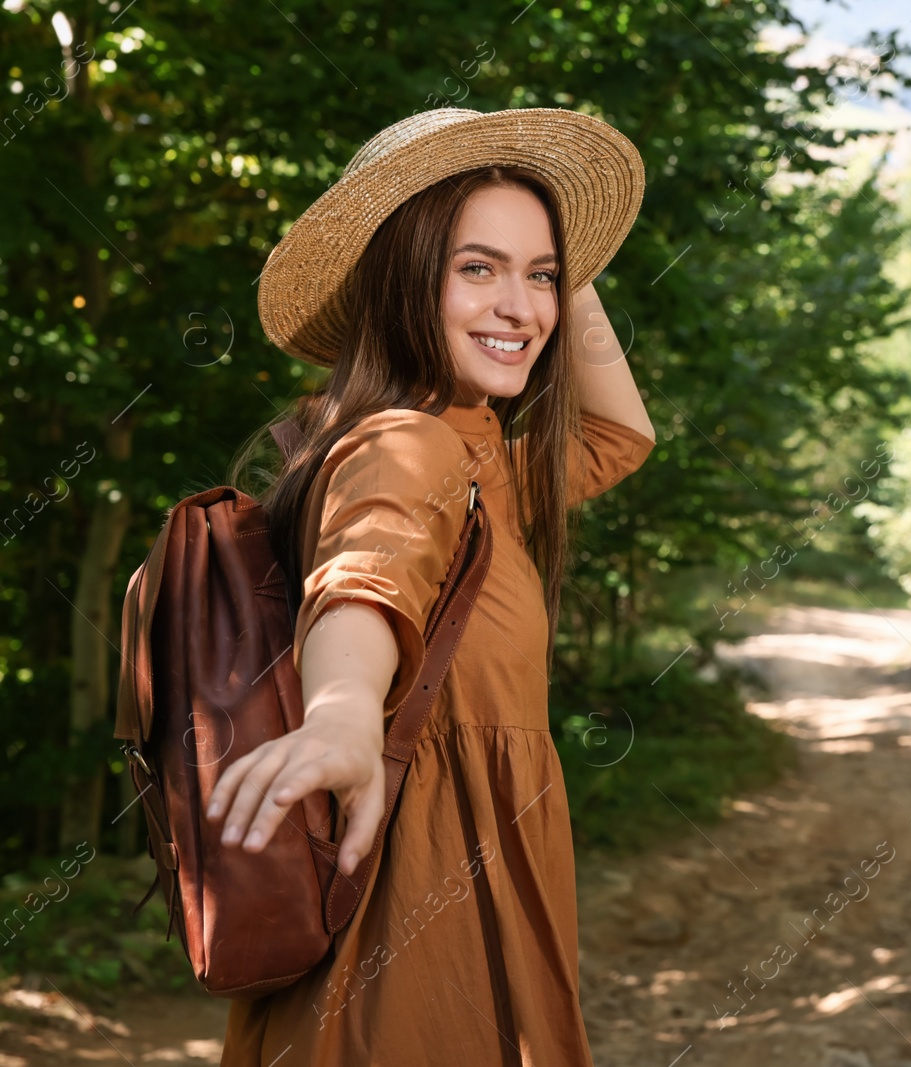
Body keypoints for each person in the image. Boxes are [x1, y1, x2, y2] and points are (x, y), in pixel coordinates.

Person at [208, 107, 654, 1066]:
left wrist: (560, 275)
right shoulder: (411, 446)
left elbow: (622, 434)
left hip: (455, 862)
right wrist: (340, 714)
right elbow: (364, 579)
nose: (522, 307)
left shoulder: (480, 453)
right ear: (404, 279)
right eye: (476, 267)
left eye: (539, 275)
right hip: (418, 885)